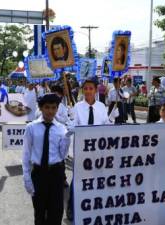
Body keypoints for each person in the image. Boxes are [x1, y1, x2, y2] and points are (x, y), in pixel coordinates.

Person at [66, 78, 112, 221]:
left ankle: (92, 207)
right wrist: (71, 122)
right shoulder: (77, 107)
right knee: (78, 180)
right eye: (85, 88)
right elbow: (71, 128)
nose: (88, 91)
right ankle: (72, 208)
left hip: (98, 151)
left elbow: (105, 126)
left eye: (90, 88)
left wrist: (111, 120)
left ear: (96, 90)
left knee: (96, 180)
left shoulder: (101, 107)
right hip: (81, 151)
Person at [22, 93, 71, 225]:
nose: (50, 111)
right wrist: (26, 178)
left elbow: (62, 155)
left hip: (56, 173)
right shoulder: (31, 127)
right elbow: (26, 154)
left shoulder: (61, 129)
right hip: (39, 174)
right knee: (39, 212)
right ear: (41, 108)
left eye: (54, 108)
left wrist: (67, 137)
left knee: (56, 212)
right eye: (47, 107)